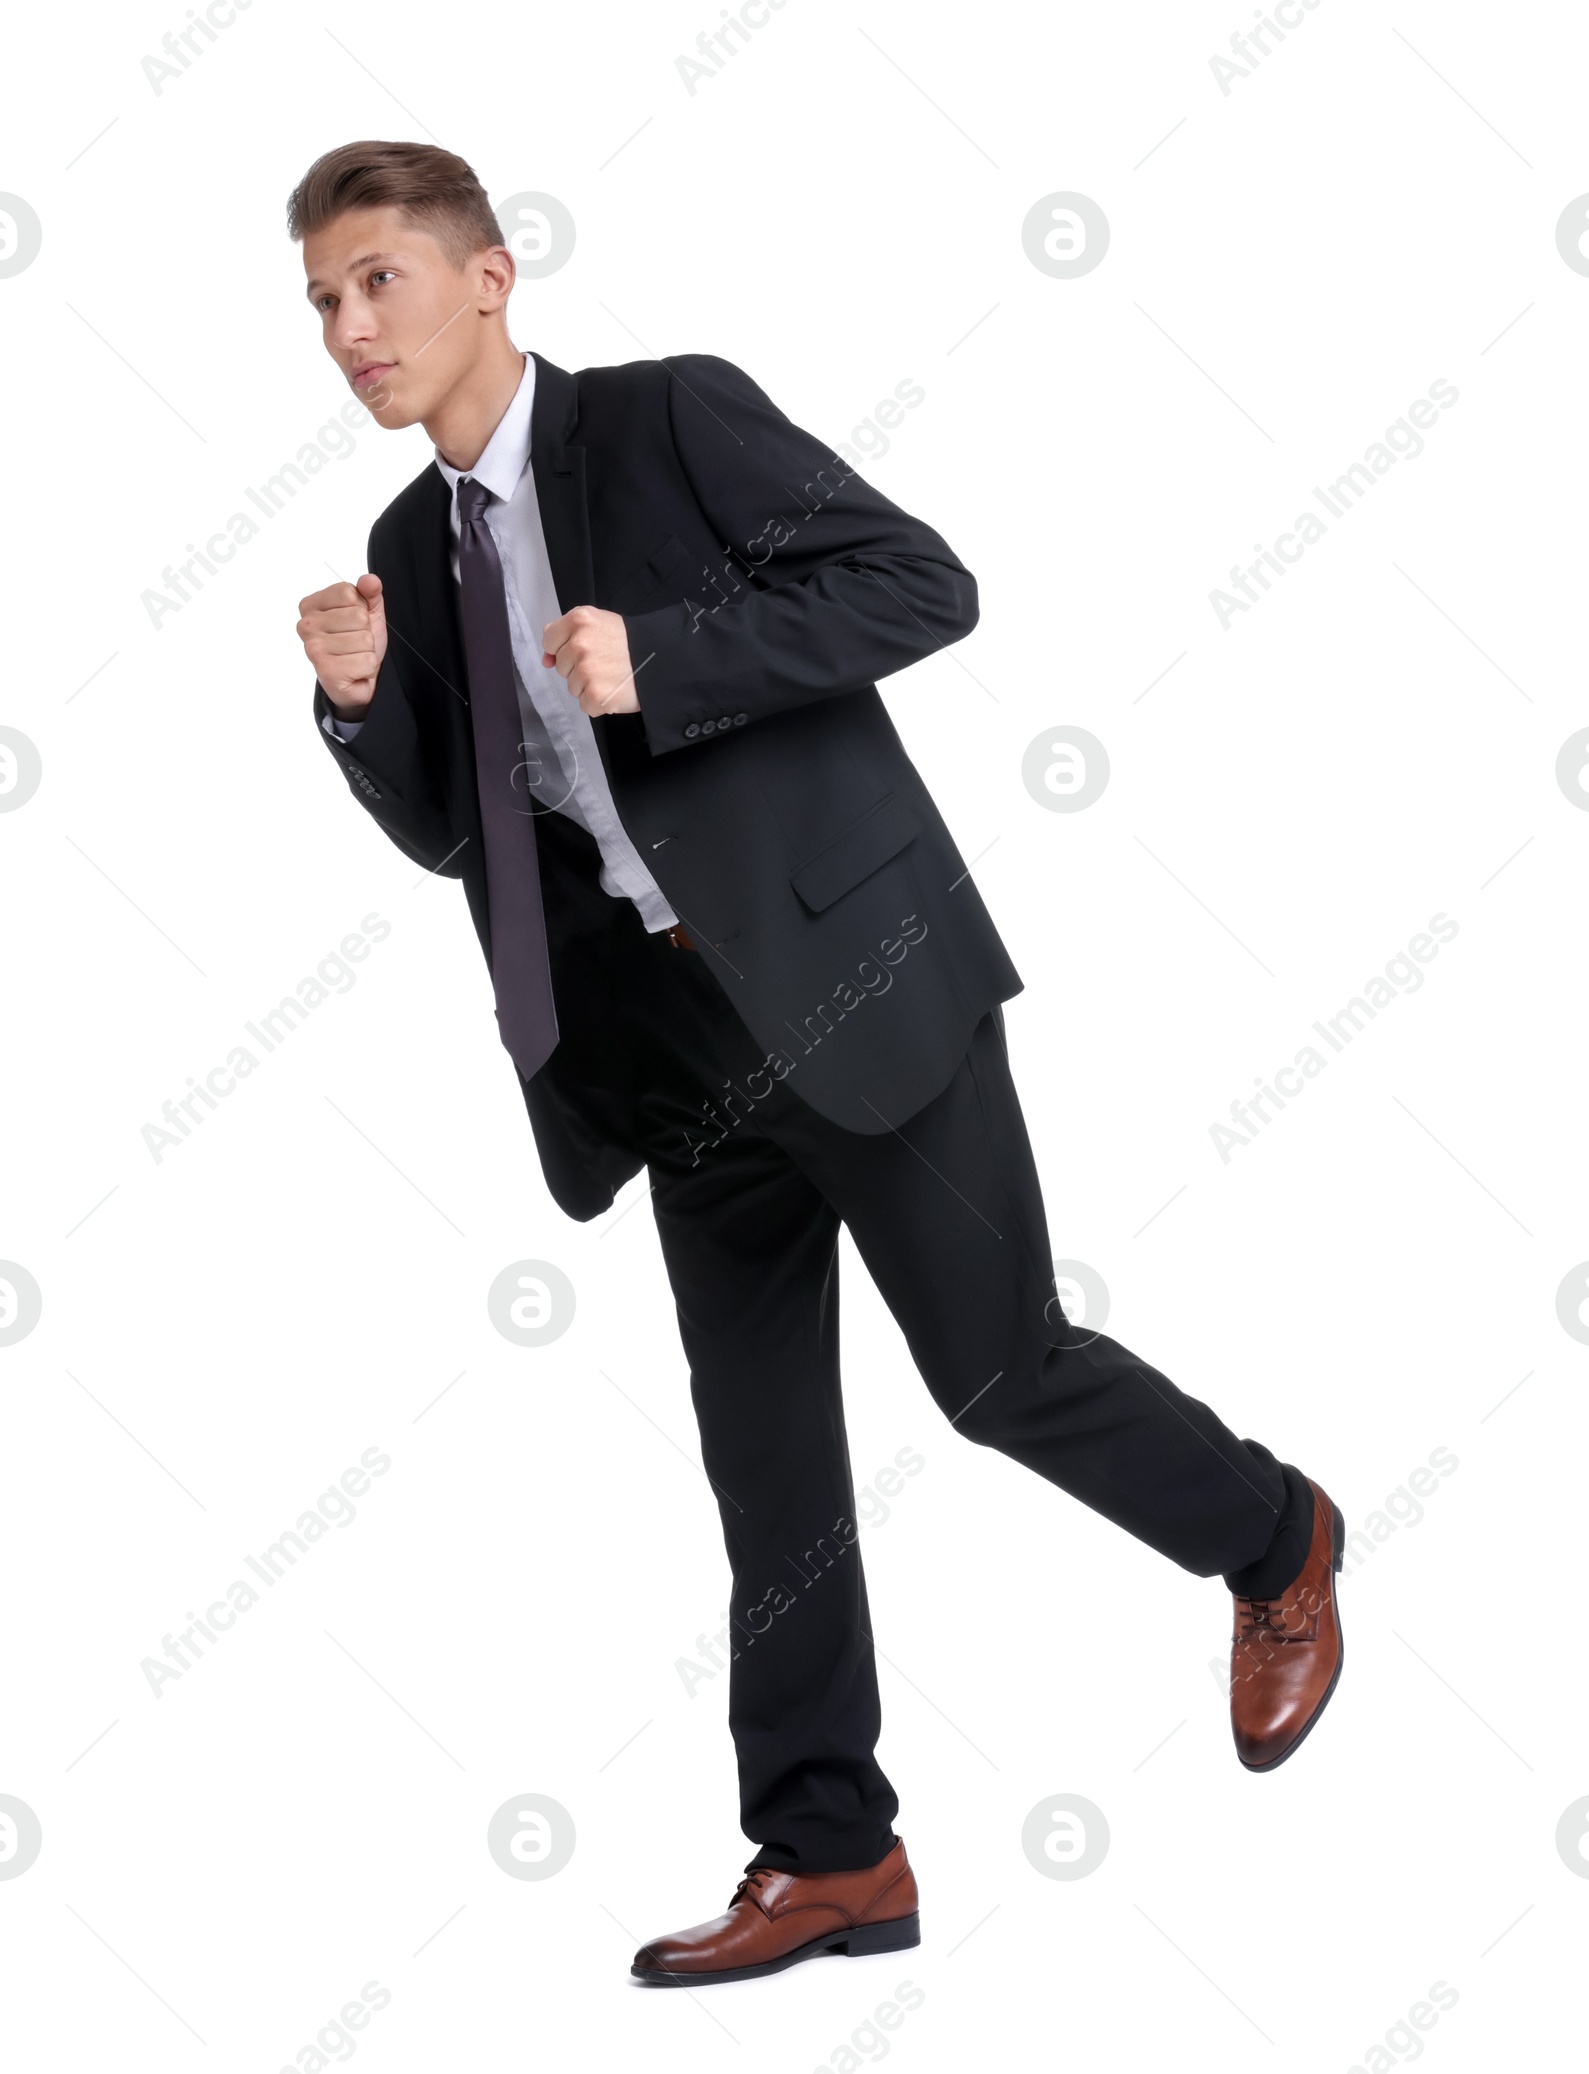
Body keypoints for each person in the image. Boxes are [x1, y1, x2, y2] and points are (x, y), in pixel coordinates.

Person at [289, 139, 1346, 1989]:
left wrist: (666, 656)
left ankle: (1276, 1530)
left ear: (490, 275)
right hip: (663, 1050)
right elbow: (464, 834)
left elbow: (922, 585)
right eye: (320, 302)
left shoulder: (671, 419)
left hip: (854, 980)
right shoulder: (404, 550)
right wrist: (364, 709)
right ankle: (831, 1850)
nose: (349, 328)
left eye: (378, 279)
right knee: (766, 1472)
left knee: (1001, 1371)